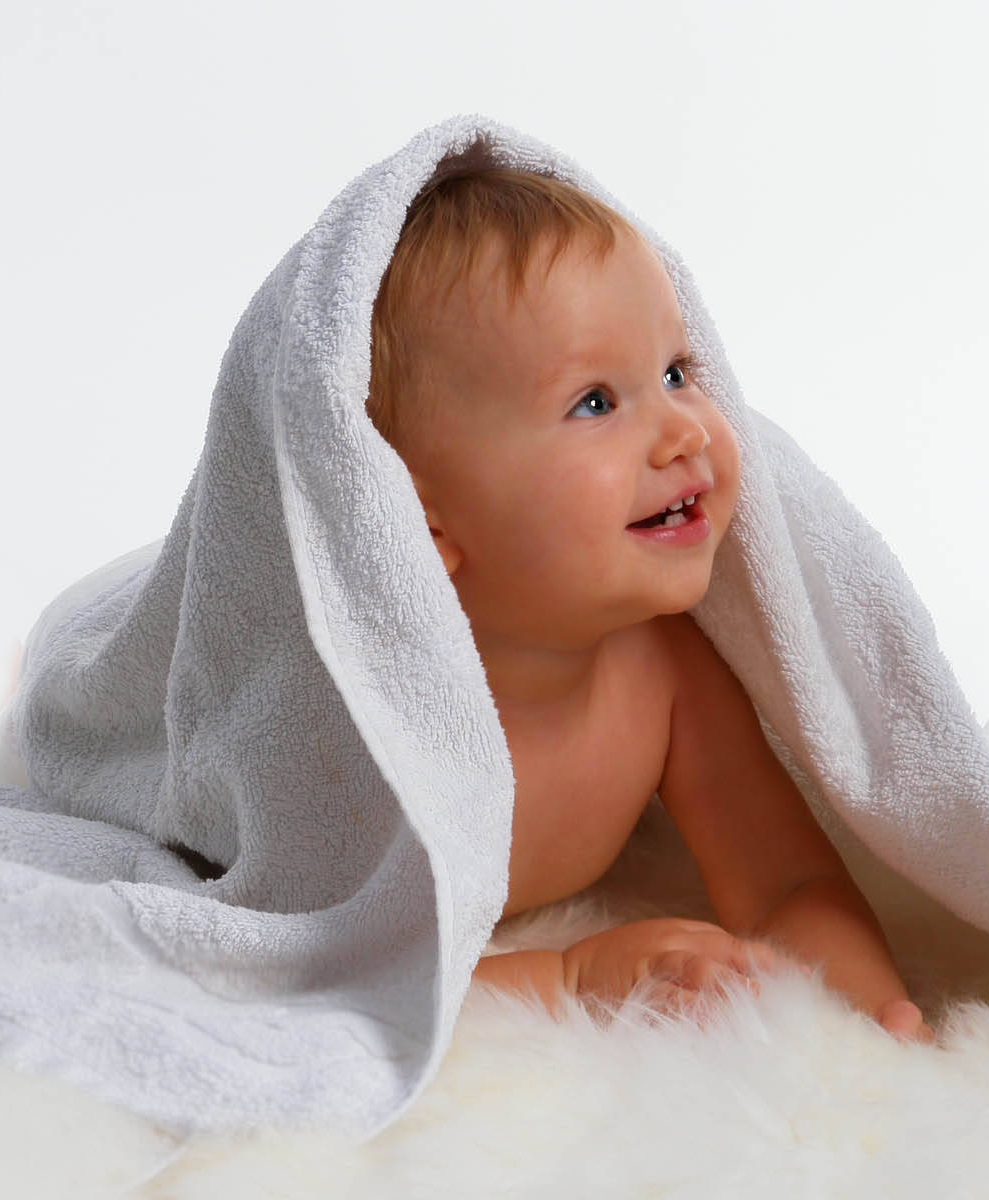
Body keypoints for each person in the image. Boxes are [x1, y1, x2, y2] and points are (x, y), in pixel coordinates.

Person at [365, 145, 932, 1045]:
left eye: (675, 372)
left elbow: (786, 883)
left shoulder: (664, 664)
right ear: (423, 524)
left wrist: (869, 1019)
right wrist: (571, 972)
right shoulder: (367, 724)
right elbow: (311, 977)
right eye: (595, 402)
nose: (682, 430)